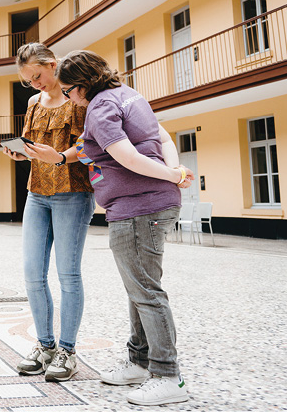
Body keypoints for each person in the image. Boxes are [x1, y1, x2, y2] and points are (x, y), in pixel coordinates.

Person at [55, 50, 194, 406]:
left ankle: (168, 376)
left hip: (137, 207)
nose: (68, 97)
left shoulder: (100, 107)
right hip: (155, 202)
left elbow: (128, 158)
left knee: (146, 291)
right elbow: (163, 140)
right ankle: (139, 361)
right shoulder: (130, 95)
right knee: (141, 287)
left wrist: (172, 175)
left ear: (82, 85)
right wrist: (174, 174)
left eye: (68, 90)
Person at [2, 42, 95, 382]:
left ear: (53, 65)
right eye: (29, 81)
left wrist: (57, 156)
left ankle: (68, 352)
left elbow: (88, 145)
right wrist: (20, 154)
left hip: (73, 192)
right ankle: (45, 346)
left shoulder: (79, 98)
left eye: (38, 76)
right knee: (32, 274)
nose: (36, 84)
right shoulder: (32, 103)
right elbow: (31, 146)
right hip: (37, 193)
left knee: (68, 274)